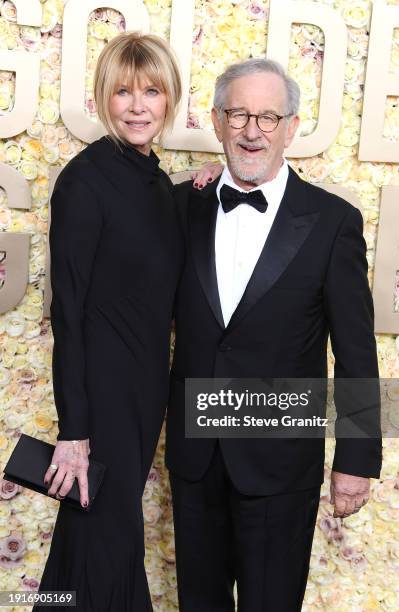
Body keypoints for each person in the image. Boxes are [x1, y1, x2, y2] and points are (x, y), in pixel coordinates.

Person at [166, 58, 383, 611]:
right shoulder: (180, 204)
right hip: (195, 457)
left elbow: (356, 350)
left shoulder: (333, 222)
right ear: (216, 121)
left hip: (282, 460)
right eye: (238, 114)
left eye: (268, 117)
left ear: (291, 126)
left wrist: (356, 458)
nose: (252, 131)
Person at [34, 31, 218, 611]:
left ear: (171, 100)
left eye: (152, 92)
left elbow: (150, 227)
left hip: (145, 390)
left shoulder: (153, 180)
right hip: (105, 394)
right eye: (122, 92)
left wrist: (198, 182)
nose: (138, 106)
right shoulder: (84, 180)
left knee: (93, 536)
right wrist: (74, 432)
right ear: (102, 99)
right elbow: (69, 310)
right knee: (107, 538)